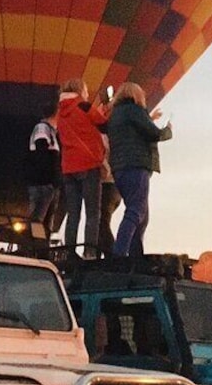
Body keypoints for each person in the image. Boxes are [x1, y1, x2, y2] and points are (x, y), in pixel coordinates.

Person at [108, 82, 172, 257]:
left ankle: (136, 254)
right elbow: (153, 133)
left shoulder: (115, 115)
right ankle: (120, 253)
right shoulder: (134, 110)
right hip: (136, 166)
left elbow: (134, 131)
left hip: (118, 168)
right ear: (138, 96)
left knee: (141, 215)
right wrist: (167, 130)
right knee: (136, 211)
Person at [56, 78, 108, 258]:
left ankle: (69, 253)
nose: (87, 93)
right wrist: (106, 108)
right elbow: (104, 124)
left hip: (69, 167)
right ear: (80, 90)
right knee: (93, 213)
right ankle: (89, 252)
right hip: (88, 164)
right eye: (86, 90)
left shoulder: (60, 113)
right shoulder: (84, 106)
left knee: (73, 213)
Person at [25, 98, 62, 231]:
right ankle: (34, 246)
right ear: (57, 113)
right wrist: (49, 181)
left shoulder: (51, 131)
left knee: (45, 221)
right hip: (43, 184)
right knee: (38, 219)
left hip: (49, 184)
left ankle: (41, 248)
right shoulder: (42, 128)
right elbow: (41, 152)